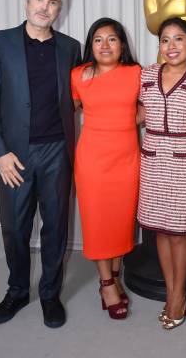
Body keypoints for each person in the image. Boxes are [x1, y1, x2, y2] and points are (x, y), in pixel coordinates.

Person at [0, 0, 81, 328]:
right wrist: (1, 153)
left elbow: (78, 100)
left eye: (52, 2)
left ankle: (50, 294)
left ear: (59, 9)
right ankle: (18, 290)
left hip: (57, 152)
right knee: (14, 228)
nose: (45, 7)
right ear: (27, 2)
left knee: (55, 226)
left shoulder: (70, 48)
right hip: (15, 156)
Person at [136, 17, 186, 329]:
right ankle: (172, 290)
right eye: (165, 40)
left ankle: (178, 296)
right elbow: (136, 114)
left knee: (180, 235)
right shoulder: (147, 74)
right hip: (153, 162)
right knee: (161, 233)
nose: (171, 46)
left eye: (178, 39)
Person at [70, 18, 141, 320]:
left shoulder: (136, 73)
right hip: (92, 162)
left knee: (121, 220)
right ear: (90, 46)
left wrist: (123, 122)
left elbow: (147, 110)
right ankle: (107, 283)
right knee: (99, 222)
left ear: (122, 44)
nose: (105, 45)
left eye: (112, 39)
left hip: (126, 160)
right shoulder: (78, 75)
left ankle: (115, 273)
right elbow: (68, 111)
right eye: (98, 40)